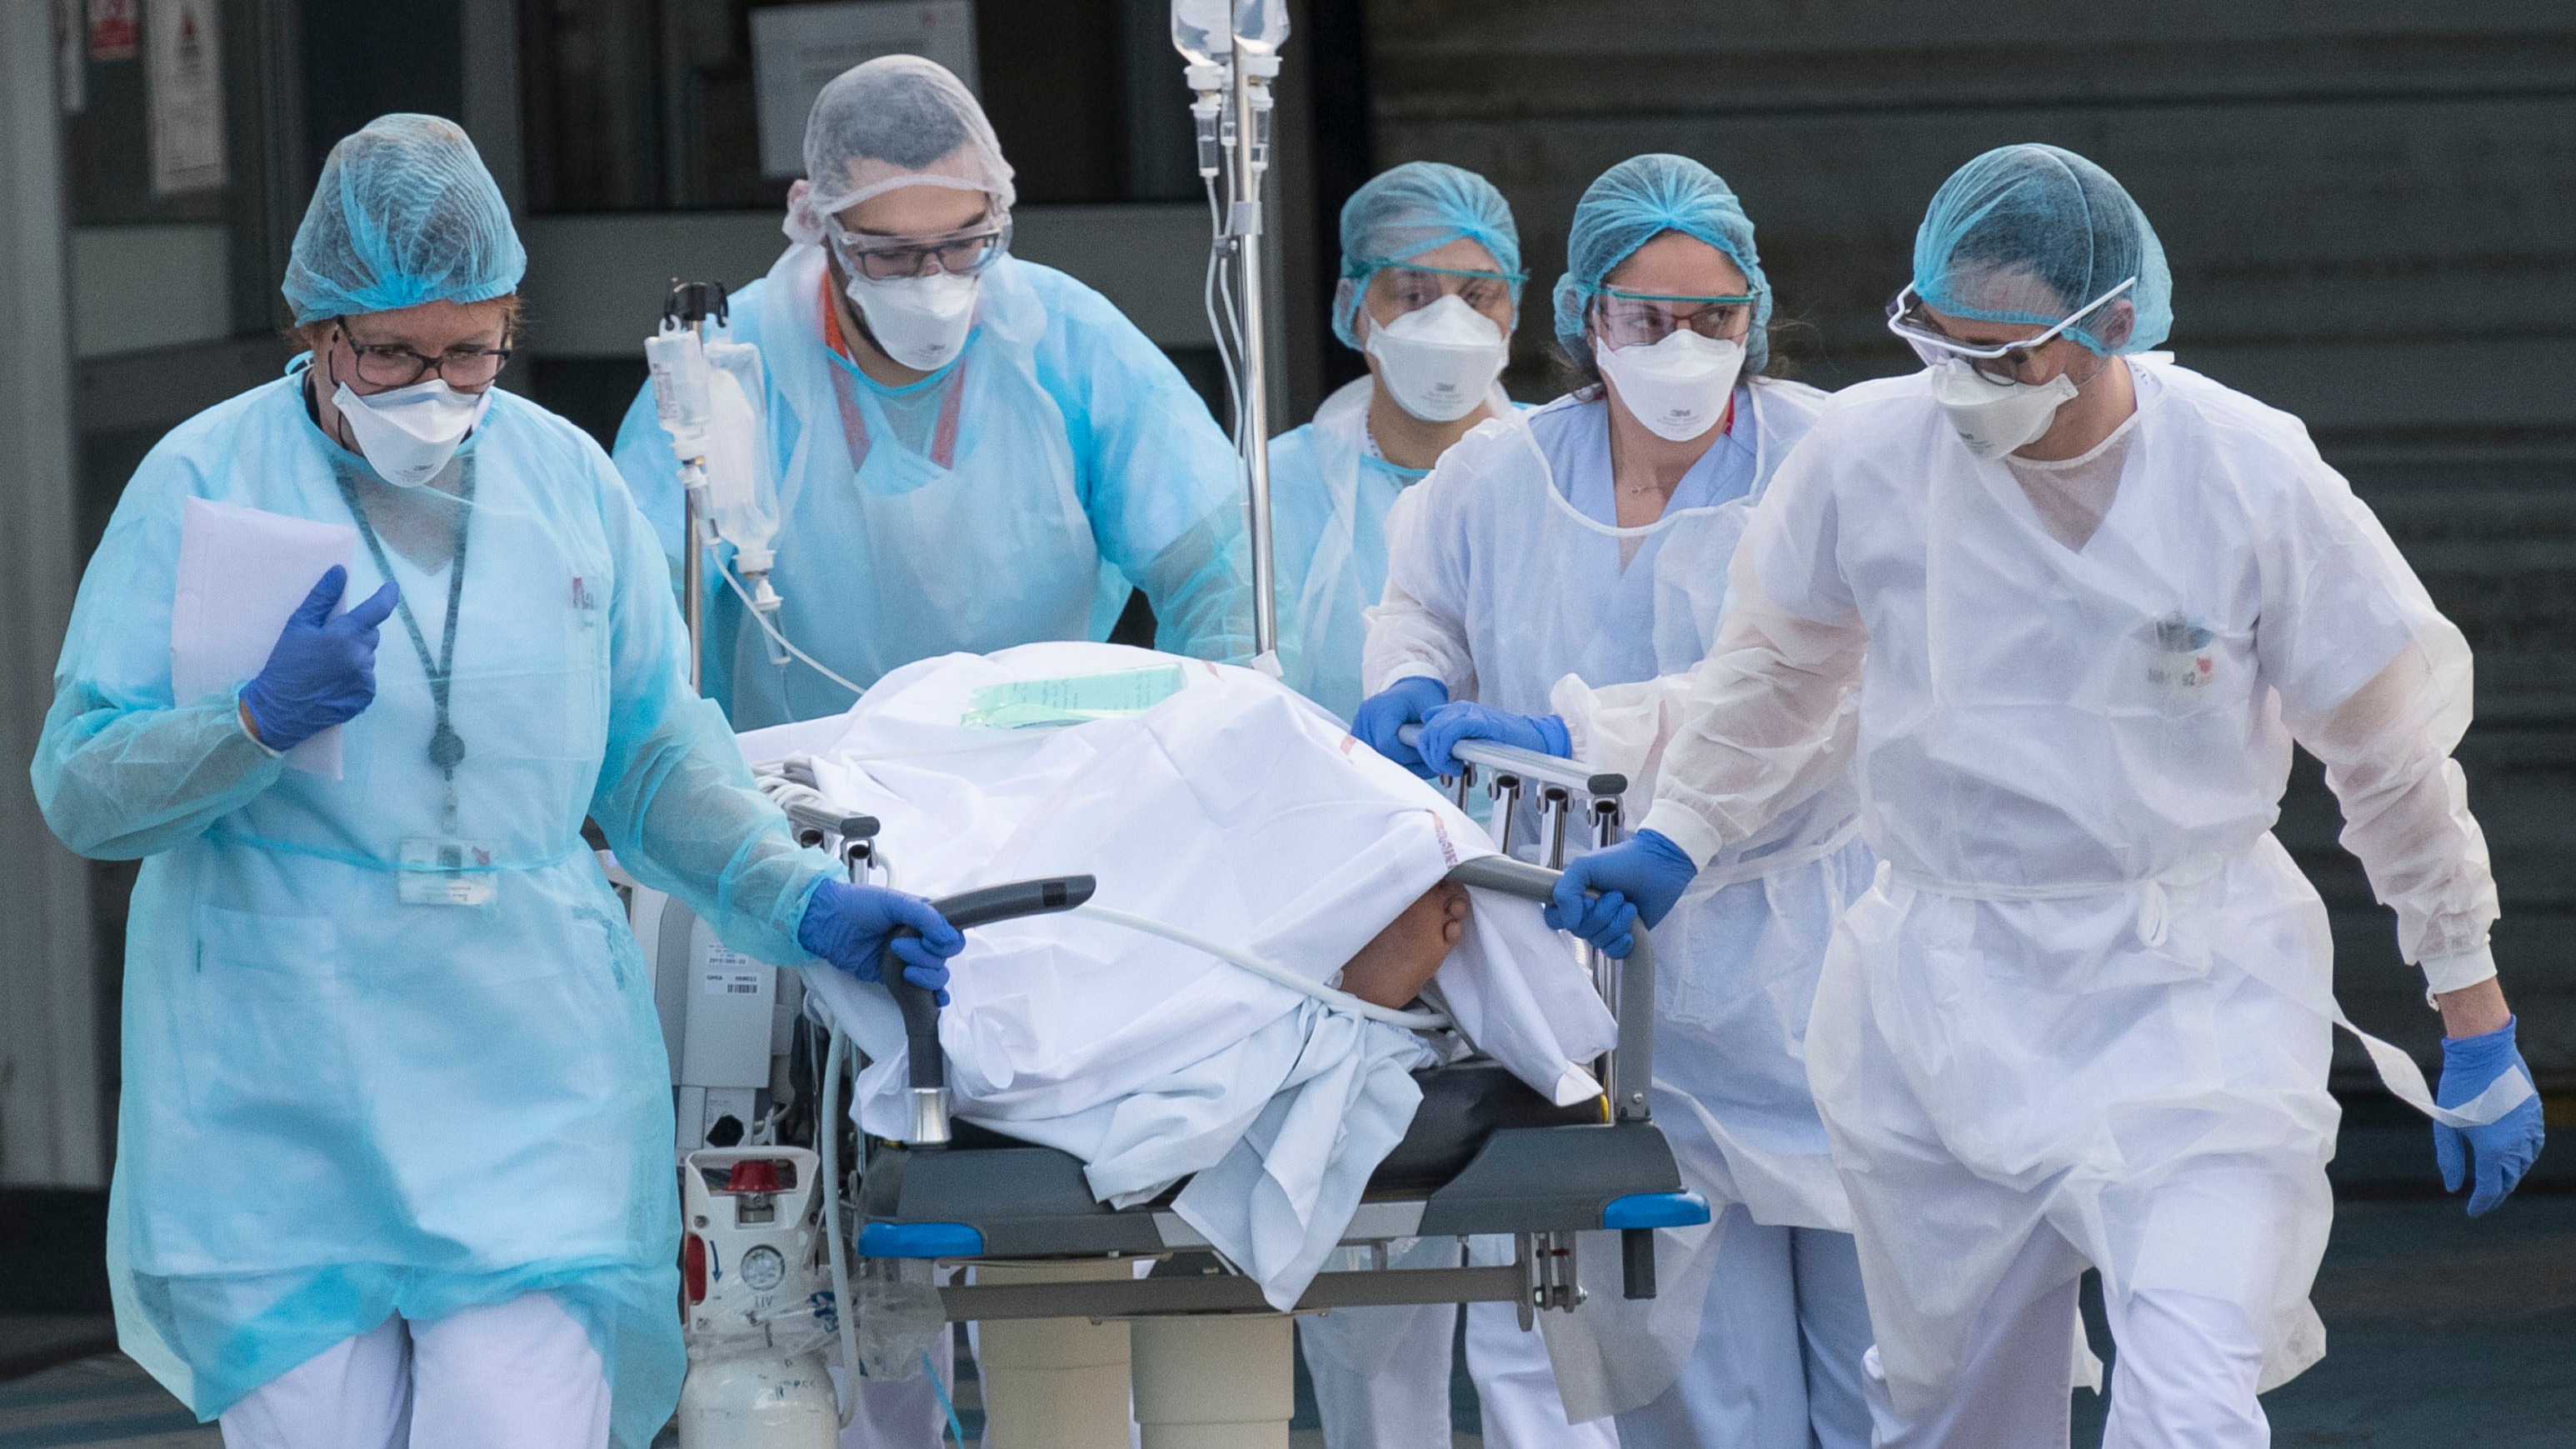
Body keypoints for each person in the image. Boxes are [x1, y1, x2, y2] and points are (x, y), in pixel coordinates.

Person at [1548, 143, 2548, 1448]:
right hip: (1944, 1001)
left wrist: (2469, 1001)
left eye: (2005, 357)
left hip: (2190, 1000)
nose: (1963, 386)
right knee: (1959, 1420)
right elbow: (1779, 670)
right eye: (1941, 343)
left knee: (2186, 1401)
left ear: (2111, 326)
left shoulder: (2249, 475)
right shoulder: (1871, 457)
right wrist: (1680, 832)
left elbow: (2388, 752)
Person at [31, 115, 965, 1449]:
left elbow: (651, 756)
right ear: (315, 330)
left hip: (528, 1078)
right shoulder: (203, 480)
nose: (436, 384)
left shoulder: (565, 485)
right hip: (282, 1087)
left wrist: (798, 900)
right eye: (394, 352)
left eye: (471, 348)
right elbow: (80, 786)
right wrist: (245, 724)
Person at [1350, 155, 1874, 1449]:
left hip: (1831, 974)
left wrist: (1576, 734)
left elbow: (1810, 694)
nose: (1683, 347)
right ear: (1584, 314)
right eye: (1648, 316)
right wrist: (1411, 683)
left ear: (1759, 314)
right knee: (1701, 1393)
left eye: (1716, 318)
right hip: (1620, 999)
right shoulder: (1495, 474)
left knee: (1892, 1387)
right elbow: (1421, 601)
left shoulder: (1836, 462)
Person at [611, 55, 1251, 729]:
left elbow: (1222, 580)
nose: (933, 279)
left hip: (1043, 776)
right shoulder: (727, 369)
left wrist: (1213, 749)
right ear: (820, 230)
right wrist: (710, 811)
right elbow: (638, 631)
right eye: (888, 255)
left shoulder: (1070, 345)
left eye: (964, 243)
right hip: (800, 798)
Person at [1267, 161, 1525, 720]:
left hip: (1529, 809)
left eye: (1478, 297)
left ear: (1513, 309)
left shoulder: (1565, 468)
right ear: (1353, 307)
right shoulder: (1272, 489)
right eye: (1413, 293)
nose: (1450, 322)